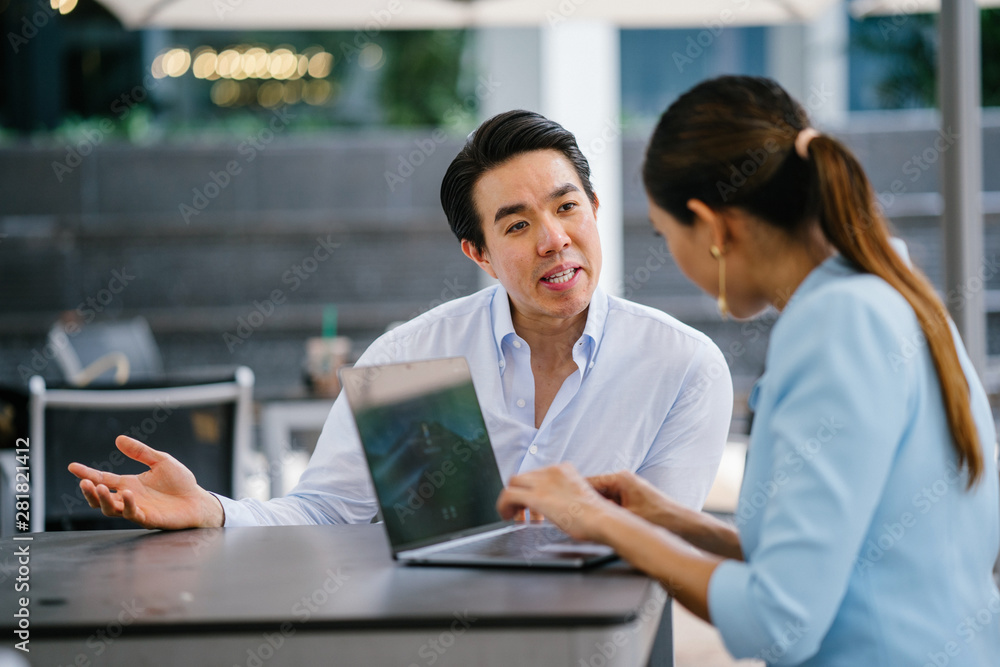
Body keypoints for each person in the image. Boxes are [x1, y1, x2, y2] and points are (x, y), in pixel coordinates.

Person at [496, 76, 1000, 666]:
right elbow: (835, 565)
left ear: (713, 228)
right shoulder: (884, 294)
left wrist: (600, 523)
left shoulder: (836, 328)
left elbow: (777, 619)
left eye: (666, 234)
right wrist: (668, 519)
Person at [68, 110, 733, 529]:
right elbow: (328, 509)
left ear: (592, 205)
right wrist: (214, 510)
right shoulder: (411, 355)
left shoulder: (683, 365)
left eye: (566, 208)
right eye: (518, 224)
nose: (554, 239)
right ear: (478, 252)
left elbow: (667, 541)